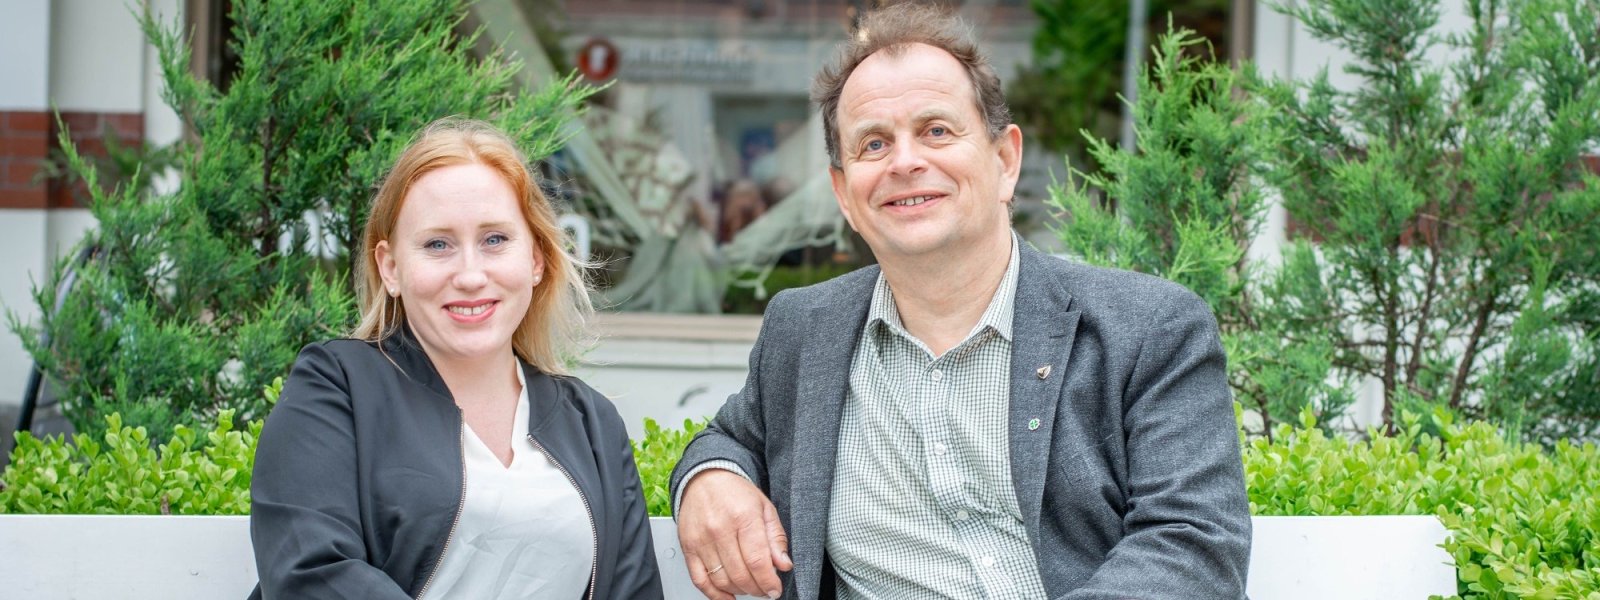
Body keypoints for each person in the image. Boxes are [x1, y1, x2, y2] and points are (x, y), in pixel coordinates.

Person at [668, 4, 1251, 599]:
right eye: (874, 143)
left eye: (936, 131)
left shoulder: (1148, 328)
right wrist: (709, 476)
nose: (905, 162)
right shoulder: (805, 329)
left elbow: (1193, 545)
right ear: (843, 193)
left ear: (1005, 161)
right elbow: (731, 437)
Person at [250, 119, 663, 599]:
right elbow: (309, 571)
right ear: (391, 267)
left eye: (495, 240)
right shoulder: (337, 386)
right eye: (437, 245)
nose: (470, 275)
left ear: (536, 260)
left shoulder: (591, 423)